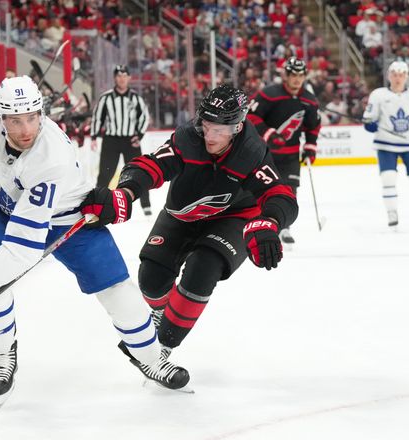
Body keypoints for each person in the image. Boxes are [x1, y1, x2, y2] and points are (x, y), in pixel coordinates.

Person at [0, 76, 189, 401]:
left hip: (69, 217)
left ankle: (151, 359)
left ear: (41, 113)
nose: (26, 129)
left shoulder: (50, 156)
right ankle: (1, 355)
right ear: (0, 117)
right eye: (15, 120)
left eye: (32, 117)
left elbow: (22, 250)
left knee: (118, 293)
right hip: (2, 206)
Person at [81, 85, 298, 376]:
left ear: (238, 126)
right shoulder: (188, 138)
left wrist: (269, 221)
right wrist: (126, 191)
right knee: (151, 280)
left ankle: (160, 349)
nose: (209, 136)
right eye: (206, 125)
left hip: (233, 217)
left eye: (219, 130)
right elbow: (152, 165)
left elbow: (281, 194)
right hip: (182, 214)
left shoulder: (251, 151)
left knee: (203, 267)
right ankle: (163, 315)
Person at [247, 56, 320, 244]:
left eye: (300, 75)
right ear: (286, 75)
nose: (297, 79)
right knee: (258, 190)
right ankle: (256, 222)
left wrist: (310, 146)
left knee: (289, 190)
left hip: (290, 156)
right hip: (265, 154)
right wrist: (269, 134)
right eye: (293, 75)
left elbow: (313, 126)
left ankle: (284, 227)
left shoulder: (309, 101)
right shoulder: (269, 94)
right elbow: (251, 117)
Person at [362, 60, 409, 227]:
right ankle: (392, 212)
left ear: (406, 76)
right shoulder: (378, 95)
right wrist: (369, 123)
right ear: (389, 75)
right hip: (386, 143)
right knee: (388, 178)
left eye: (401, 75)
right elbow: (369, 118)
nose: (398, 78)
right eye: (394, 75)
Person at [90, 65, 152, 216]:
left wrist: (139, 135)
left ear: (129, 78)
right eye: (119, 76)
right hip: (111, 140)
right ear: (115, 78)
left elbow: (144, 117)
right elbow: (98, 117)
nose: (122, 79)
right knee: (105, 173)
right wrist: (93, 137)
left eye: (125, 76)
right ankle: (97, 205)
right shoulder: (106, 98)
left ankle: (146, 205)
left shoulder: (136, 98)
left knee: (139, 172)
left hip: (130, 140)